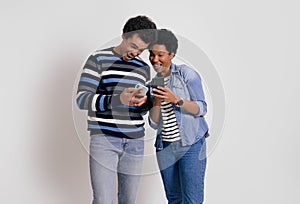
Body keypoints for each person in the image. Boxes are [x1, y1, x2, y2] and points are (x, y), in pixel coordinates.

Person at [76, 15, 156, 204]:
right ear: (124, 36)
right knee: (103, 200)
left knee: (129, 200)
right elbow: (82, 99)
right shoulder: (98, 59)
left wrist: (144, 102)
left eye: (142, 50)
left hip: (135, 141)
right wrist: (117, 99)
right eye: (133, 46)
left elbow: (142, 109)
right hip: (104, 139)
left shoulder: (143, 68)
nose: (136, 53)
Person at [148, 29, 209, 204]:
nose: (155, 59)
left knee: (192, 200)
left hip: (191, 145)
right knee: (174, 199)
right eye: (152, 55)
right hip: (165, 147)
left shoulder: (186, 74)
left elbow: (202, 108)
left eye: (160, 55)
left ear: (172, 54)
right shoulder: (154, 83)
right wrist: (157, 102)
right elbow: (153, 123)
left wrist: (176, 99)